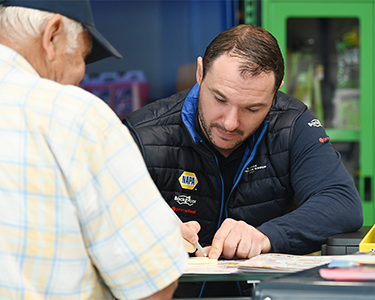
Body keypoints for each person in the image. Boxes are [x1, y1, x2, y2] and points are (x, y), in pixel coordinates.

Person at [124, 24, 363, 297]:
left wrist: (267, 235)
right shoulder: (142, 134)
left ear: (276, 92)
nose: (230, 122)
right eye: (220, 99)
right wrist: (145, 227)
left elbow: (341, 202)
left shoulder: (292, 124)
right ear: (200, 73)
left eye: (252, 108)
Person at [0, 0, 198, 299]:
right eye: (82, 55)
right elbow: (153, 284)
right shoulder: (73, 116)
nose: (81, 75)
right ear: (52, 35)